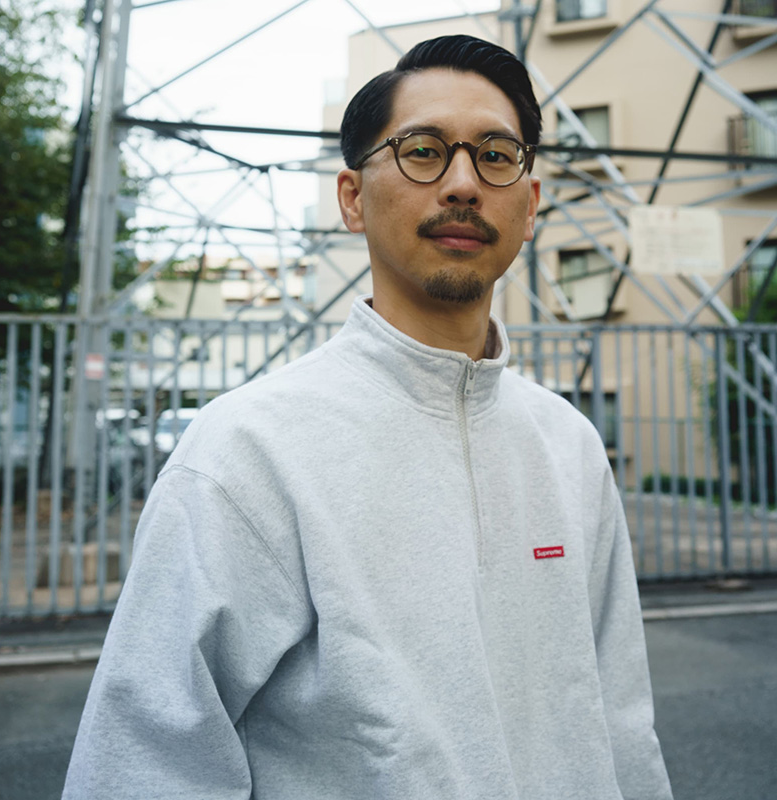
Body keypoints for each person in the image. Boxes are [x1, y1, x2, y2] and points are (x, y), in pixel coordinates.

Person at [63, 34, 673, 800]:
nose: (463, 183)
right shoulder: (248, 451)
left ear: (530, 204)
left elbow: (621, 722)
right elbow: (147, 760)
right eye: (423, 152)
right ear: (352, 197)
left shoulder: (569, 445)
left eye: (496, 155)